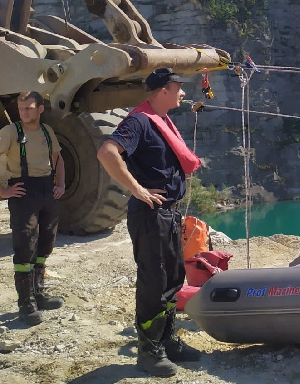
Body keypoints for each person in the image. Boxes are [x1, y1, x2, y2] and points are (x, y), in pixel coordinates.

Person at [96, 67, 203, 377]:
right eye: (177, 87)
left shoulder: (161, 120)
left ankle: (167, 342)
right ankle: (148, 351)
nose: (183, 93)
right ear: (162, 91)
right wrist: (138, 190)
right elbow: (107, 153)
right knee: (153, 283)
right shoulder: (138, 121)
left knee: (172, 278)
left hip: (168, 215)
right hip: (150, 215)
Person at [0, 91, 66, 326]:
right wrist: (2, 191)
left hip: (47, 190)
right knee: (25, 245)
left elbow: (58, 159)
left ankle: (39, 294)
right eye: (21, 108)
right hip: (24, 192)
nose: (24, 112)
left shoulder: (47, 131)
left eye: (29, 108)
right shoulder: (10, 132)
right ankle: (26, 304)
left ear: (40, 109)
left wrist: (60, 184)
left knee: (46, 243)